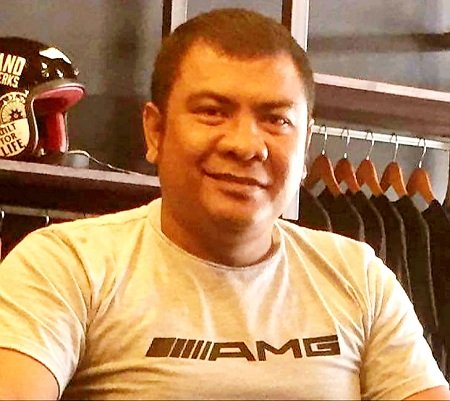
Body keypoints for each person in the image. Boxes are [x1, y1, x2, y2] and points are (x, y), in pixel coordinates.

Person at [0, 8, 448, 400]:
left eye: (276, 119)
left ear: (306, 143)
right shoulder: (66, 265)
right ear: (155, 132)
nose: (245, 145)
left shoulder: (358, 276)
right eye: (212, 111)